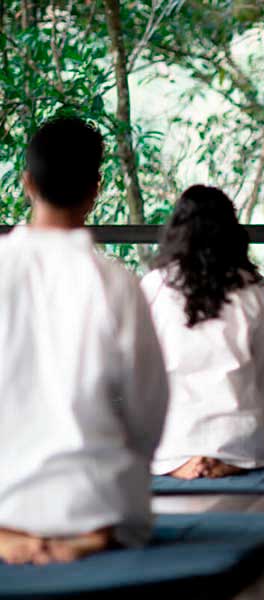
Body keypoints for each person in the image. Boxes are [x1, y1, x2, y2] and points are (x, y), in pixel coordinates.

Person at [0, 117, 168, 564]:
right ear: (95, 190)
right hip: (93, 499)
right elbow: (148, 412)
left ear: (26, 182)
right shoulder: (114, 283)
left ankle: (14, 534)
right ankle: (85, 535)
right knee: (115, 493)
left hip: (5, 495)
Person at [143, 185, 264, 480]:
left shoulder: (154, 285)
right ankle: (222, 460)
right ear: (230, 230)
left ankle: (185, 463)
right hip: (241, 438)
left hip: (172, 438)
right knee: (248, 427)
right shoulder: (252, 288)